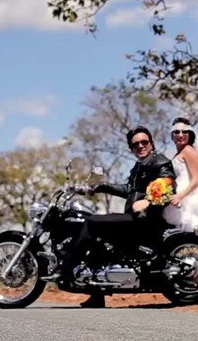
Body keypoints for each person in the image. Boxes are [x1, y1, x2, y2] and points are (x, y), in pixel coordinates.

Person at [63, 125, 176, 308]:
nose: (140, 146)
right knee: (99, 241)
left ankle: (66, 268)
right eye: (135, 144)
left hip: (145, 219)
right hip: (135, 217)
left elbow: (168, 184)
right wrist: (100, 187)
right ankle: (97, 295)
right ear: (131, 148)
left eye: (144, 142)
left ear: (151, 143)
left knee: (91, 222)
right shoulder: (140, 166)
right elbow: (129, 190)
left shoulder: (159, 162)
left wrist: (148, 202)